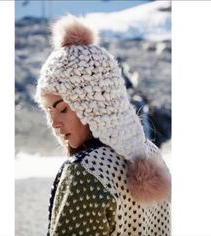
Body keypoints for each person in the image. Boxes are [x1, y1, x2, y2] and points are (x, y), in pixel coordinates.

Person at [35, 14, 171, 236]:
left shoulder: (85, 171)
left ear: (94, 106)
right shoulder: (152, 157)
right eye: (48, 110)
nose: (54, 123)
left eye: (62, 109)